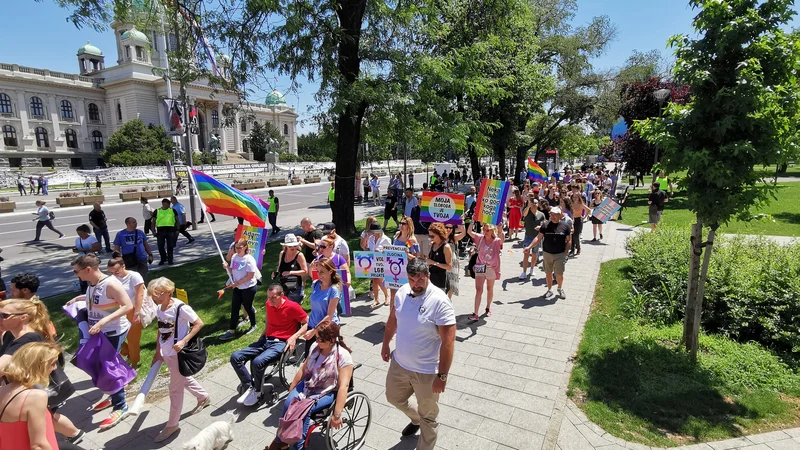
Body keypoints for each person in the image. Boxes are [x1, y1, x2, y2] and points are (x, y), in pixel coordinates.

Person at [381, 259, 455, 450]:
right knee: (393, 398)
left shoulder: (440, 301)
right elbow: (392, 320)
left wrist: (443, 376)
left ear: (428, 276)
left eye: (420, 279)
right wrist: (385, 344)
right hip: (400, 363)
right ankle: (416, 420)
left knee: (428, 416)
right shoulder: (402, 292)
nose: (416, 284)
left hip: (427, 371)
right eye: (412, 279)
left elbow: (448, 343)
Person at [0, 300, 85, 445]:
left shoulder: (28, 338)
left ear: (23, 317)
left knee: (44, 422)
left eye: (4, 315)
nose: (0, 318)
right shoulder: (10, 335)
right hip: (22, 390)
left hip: (33, 389)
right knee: (43, 421)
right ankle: (74, 435)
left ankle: (74, 434)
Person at [68, 253, 133, 429]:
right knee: (99, 364)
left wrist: (103, 321)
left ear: (87, 269)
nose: (75, 274)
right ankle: (114, 396)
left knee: (108, 367)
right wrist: (79, 298)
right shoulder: (91, 284)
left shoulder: (111, 284)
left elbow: (128, 306)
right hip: (99, 332)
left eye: (76, 271)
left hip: (112, 331)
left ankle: (121, 406)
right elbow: (96, 299)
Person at [266, 320, 353, 450]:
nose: (317, 341)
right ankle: (280, 440)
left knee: (302, 410)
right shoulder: (315, 348)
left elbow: (343, 387)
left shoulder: (342, 356)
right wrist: (292, 387)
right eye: (316, 338)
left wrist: (337, 414)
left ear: (332, 340)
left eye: (320, 339)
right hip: (309, 384)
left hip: (327, 391)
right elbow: (303, 369)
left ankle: (298, 446)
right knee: (287, 403)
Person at [149, 277, 210, 442]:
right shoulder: (160, 308)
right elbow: (161, 329)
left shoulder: (181, 308)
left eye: (158, 295)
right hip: (167, 352)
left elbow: (199, 323)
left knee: (175, 389)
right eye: (154, 295)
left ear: (169, 292)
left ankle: (172, 425)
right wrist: (157, 351)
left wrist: (183, 341)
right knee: (181, 377)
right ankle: (203, 397)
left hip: (178, 353)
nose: (155, 298)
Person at [231, 283, 308, 407]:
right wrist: (263, 334)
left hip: (281, 342)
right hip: (266, 339)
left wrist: (294, 337)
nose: (269, 300)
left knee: (257, 362)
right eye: (268, 297)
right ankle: (249, 386)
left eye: (273, 297)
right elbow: (268, 320)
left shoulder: (293, 307)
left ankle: (257, 392)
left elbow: (307, 322)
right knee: (235, 357)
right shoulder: (269, 304)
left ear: (281, 295)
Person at [0, 341, 62, 450]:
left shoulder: (2, 391)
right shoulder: (35, 396)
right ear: (37, 365)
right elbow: (38, 445)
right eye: (52, 363)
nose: (55, 367)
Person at [525, 206, 571, 299]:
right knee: (548, 273)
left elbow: (569, 240)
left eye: (554, 214)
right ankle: (549, 290)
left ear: (559, 215)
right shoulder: (545, 225)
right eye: (551, 214)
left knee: (559, 274)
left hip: (560, 254)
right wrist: (529, 247)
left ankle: (560, 288)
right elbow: (538, 238)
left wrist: (566, 252)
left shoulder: (565, 226)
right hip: (547, 254)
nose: (552, 216)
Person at [107, 256, 145, 368]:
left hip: (132, 309)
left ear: (124, 266)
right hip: (118, 311)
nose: (114, 274)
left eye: (116, 271)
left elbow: (140, 295)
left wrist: (137, 313)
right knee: (116, 337)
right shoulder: (112, 279)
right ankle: (128, 354)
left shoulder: (134, 276)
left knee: (133, 339)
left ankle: (134, 363)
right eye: (111, 272)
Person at [220, 237, 259, 341]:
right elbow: (233, 271)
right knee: (235, 308)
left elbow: (250, 276)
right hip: (237, 288)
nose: (237, 250)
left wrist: (237, 283)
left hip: (248, 287)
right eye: (236, 248)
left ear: (245, 247)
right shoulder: (234, 257)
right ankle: (231, 330)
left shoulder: (249, 259)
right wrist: (227, 267)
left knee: (247, 306)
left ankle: (253, 324)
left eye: (239, 248)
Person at [467, 223, 504, 320]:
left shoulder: (496, 241)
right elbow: (469, 232)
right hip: (480, 265)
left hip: (491, 268)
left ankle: (488, 308)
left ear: (492, 231)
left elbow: (502, 240)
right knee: (479, 290)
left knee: (489, 289)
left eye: (488, 230)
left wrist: (500, 230)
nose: (485, 232)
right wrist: (472, 221)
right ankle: (475, 313)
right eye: (484, 229)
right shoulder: (480, 238)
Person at [305, 258, 340, 352]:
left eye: (322, 272)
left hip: (326, 329)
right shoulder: (315, 284)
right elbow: (310, 272)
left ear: (330, 271)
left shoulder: (333, 290)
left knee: (326, 359)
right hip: (312, 324)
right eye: (318, 271)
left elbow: (329, 316)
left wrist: (314, 331)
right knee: (309, 358)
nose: (319, 275)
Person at [275, 235, 308, 304]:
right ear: (286, 246)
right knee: (283, 306)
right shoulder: (282, 253)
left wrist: (291, 272)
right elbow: (279, 266)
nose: (293, 248)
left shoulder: (299, 255)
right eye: (290, 246)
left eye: (295, 246)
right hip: (283, 284)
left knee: (293, 308)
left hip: (295, 286)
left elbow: (305, 271)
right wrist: (276, 272)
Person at [366, 223, 391, 308]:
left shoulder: (386, 239)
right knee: (374, 281)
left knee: (379, 280)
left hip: (382, 262)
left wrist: (380, 252)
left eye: (373, 231)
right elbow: (369, 249)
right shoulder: (371, 238)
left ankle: (387, 296)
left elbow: (389, 253)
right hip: (372, 261)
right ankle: (376, 299)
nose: (372, 233)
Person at [520, 196, 545, 279]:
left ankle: (532, 269)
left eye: (535, 203)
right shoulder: (528, 212)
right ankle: (524, 272)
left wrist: (541, 227)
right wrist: (528, 206)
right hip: (528, 236)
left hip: (537, 237)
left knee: (534, 254)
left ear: (538, 204)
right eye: (532, 203)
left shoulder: (541, 214)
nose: (534, 204)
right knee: (526, 254)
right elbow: (524, 214)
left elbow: (544, 224)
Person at [72, 225, 100, 294]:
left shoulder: (91, 239)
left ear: (86, 232)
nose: (80, 235)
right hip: (81, 258)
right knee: (81, 274)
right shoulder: (78, 240)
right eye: (78, 234)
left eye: (81, 234)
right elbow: (77, 247)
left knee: (91, 274)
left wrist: (86, 249)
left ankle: (94, 288)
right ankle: (84, 290)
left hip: (90, 258)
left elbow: (97, 248)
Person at [426, 223, 453, 293]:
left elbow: (449, 266)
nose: (431, 238)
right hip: (431, 278)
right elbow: (428, 259)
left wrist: (434, 263)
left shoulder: (446, 247)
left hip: (441, 280)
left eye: (432, 236)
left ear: (439, 234)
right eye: (429, 236)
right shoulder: (432, 244)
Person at [152, 199, 179, 265]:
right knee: (160, 246)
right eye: (167, 204)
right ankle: (163, 259)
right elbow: (153, 222)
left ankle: (170, 260)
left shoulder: (172, 210)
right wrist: (153, 231)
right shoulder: (157, 211)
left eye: (169, 204)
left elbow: (177, 220)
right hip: (160, 231)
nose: (169, 206)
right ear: (163, 204)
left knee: (170, 246)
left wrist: (178, 230)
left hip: (170, 231)